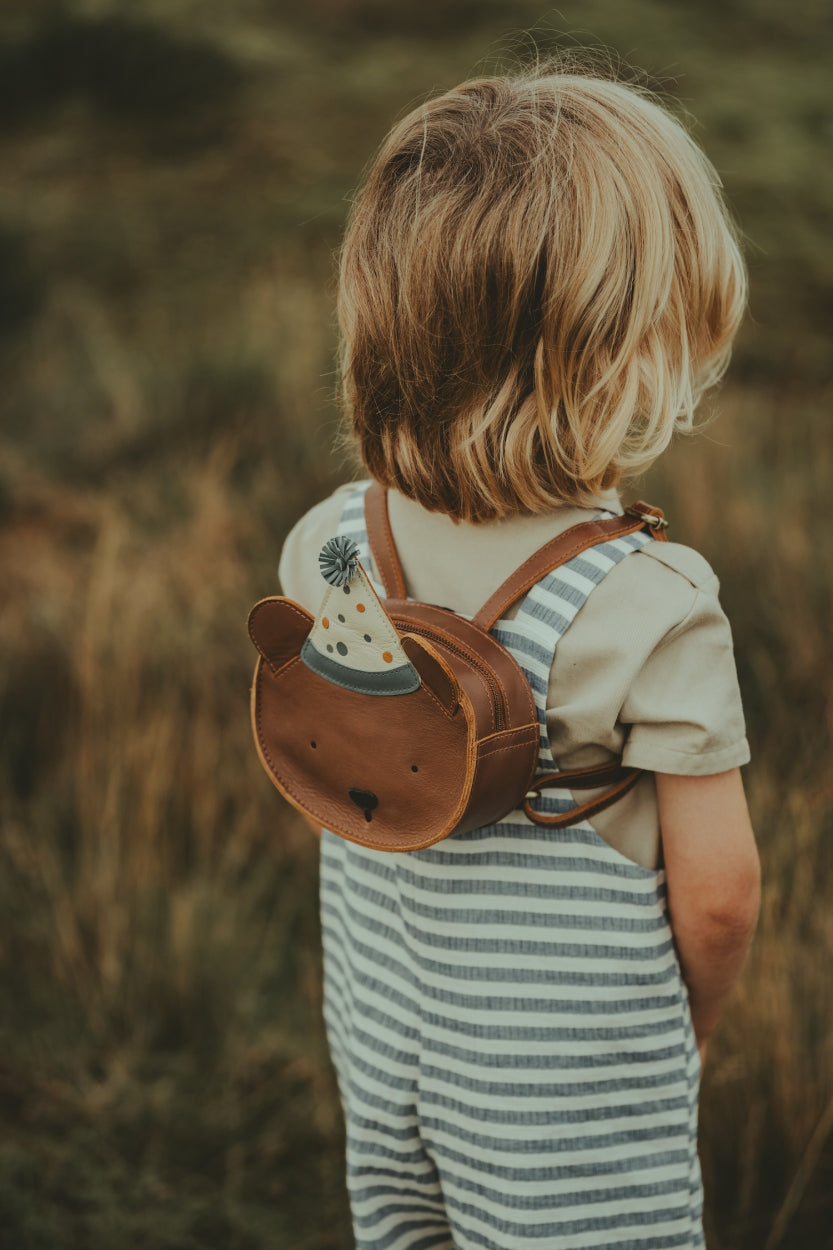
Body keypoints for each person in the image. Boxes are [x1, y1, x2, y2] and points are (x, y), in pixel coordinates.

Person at [277, 65, 761, 1250]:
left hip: (383, 1029)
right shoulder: (650, 604)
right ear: (620, 357)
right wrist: (681, 1030)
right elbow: (717, 892)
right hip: (567, 1085)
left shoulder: (332, 543)